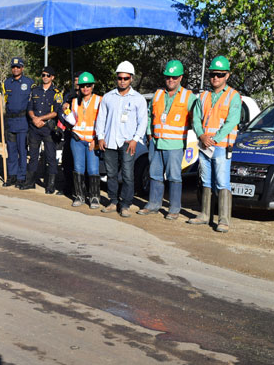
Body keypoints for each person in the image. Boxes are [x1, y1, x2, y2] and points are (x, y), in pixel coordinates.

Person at [188, 56, 241, 233]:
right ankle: (204, 215)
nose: (215, 78)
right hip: (205, 145)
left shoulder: (233, 96)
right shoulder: (203, 96)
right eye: (213, 74)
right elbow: (195, 117)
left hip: (221, 146)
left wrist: (215, 139)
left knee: (222, 181)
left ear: (227, 75)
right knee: (205, 179)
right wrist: (202, 135)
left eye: (220, 74)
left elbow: (232, 121)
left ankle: (224, 219)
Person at [138, 60, 196, 220]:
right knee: (154, 174)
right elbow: (150, 115)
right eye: (168, 77)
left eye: (174, 77)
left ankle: (174, 208)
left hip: (175, 145)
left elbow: (195, 118)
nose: (171, 80)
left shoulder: (188, 97)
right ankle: (153, 204)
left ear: (181, 78)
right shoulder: (158, 94)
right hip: (156, 143)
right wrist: (149, 133)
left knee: (174, 176)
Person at [95, 61, 147, 217]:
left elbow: (143, 121)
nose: (122, 81)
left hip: (127, 143)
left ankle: (125, 204)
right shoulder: (108, 97)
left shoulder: (138, 99)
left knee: (127, 175)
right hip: (110, 141)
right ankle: (113, 201)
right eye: (120, 78)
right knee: (111, 174)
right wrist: (100, 137)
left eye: (125, 78)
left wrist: (135, 139)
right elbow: (101, 118)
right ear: (116, 78)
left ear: (131, 78)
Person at [62, 72, 101, 208]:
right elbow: (70, 121)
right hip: (77, 140)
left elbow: (102, 123)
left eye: (88, 85)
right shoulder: (73, 101)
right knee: (78, 168)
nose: (85, 88)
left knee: (92, 169)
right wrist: (66, 112)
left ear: (93, 86)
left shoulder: (99, 100)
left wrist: (96, 139)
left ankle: (94, 197)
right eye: (83, 86)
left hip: (92, 141)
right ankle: (79, 196)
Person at [22, 66, 63, 193]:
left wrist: (41, 119)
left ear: (52, 77)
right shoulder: (35, 91)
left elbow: (56, 112)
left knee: (50, 157)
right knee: (33, 156)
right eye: (43, 75)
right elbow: (29, 107)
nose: (45, 77)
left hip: (48, 129)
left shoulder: (57, 93)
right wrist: (34, 118)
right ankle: (30, 182)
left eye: (47, 75)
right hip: (34, 128)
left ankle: (50, 185)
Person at [2, 57, 33, 187]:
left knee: (22, 149)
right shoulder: (6, 83)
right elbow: (4, 102)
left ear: (22, 68)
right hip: (10, 121)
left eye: (18, 67)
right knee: (11, 149)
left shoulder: (29, 83)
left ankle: (21, 176)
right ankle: (12, 175)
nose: (15, 69)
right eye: (13, 67)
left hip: (23, 121)